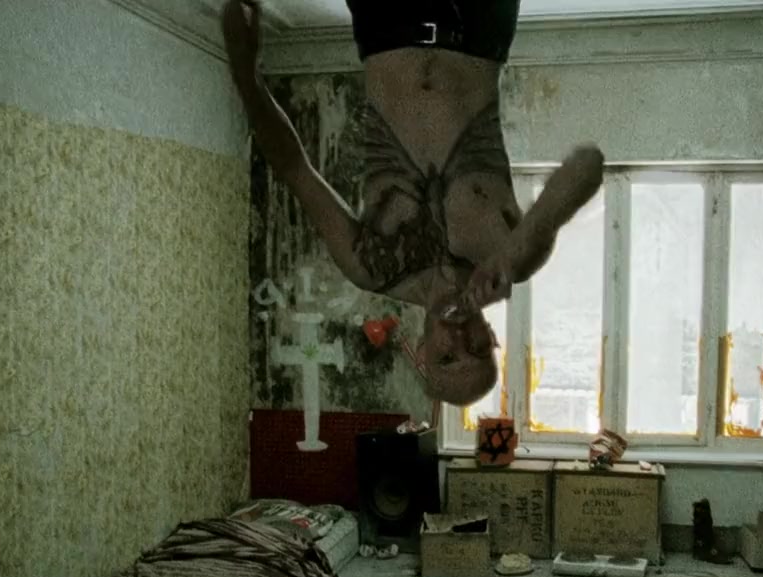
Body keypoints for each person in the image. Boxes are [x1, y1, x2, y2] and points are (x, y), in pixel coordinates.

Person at [221, 0, 605, 406]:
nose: (459, 338)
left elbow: (295, 170)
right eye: (477, 349)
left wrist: (246, 75)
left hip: (387, 26)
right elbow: (588, 165)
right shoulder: (513, 258)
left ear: (422, 353)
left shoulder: (371, 266)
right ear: (491, 337)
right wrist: (510, 254)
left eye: (446, 357)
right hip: (475, 28)